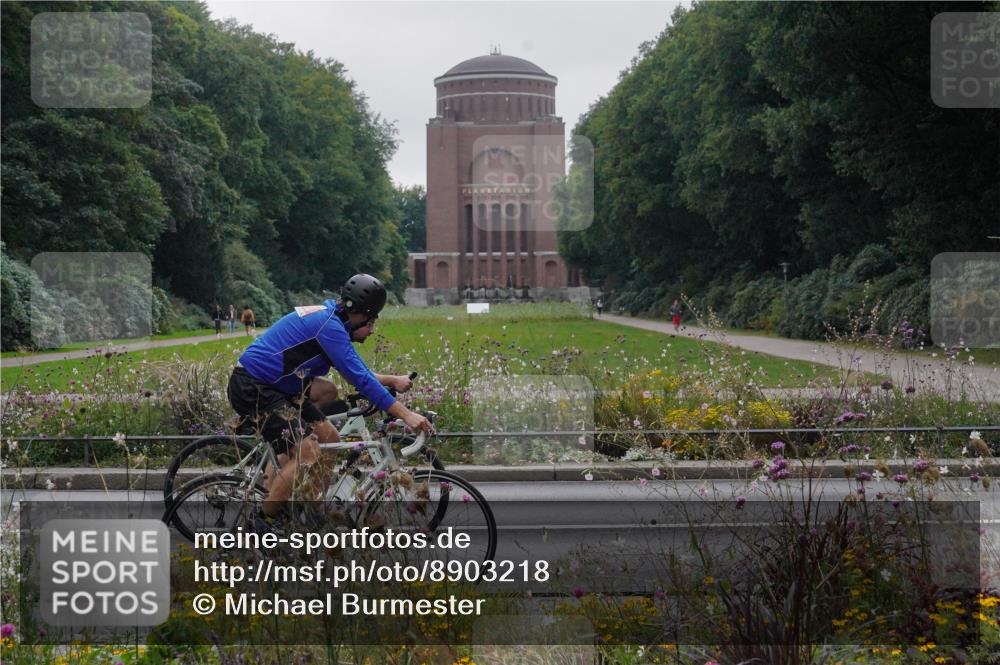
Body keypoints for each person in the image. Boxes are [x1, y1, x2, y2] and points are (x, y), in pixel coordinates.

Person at [227, 273, 433, 533]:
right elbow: (361, 378)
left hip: (280, 386)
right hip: (255, 386)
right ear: (359, 314)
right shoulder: (329, 327)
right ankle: (262, 523)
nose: (372, 330)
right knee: (308, 452)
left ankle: (312, 511)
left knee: (329, 437)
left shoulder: (331, 319)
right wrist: (406, 415)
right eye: (371, 321)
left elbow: (355, 369)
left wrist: (391, 382)